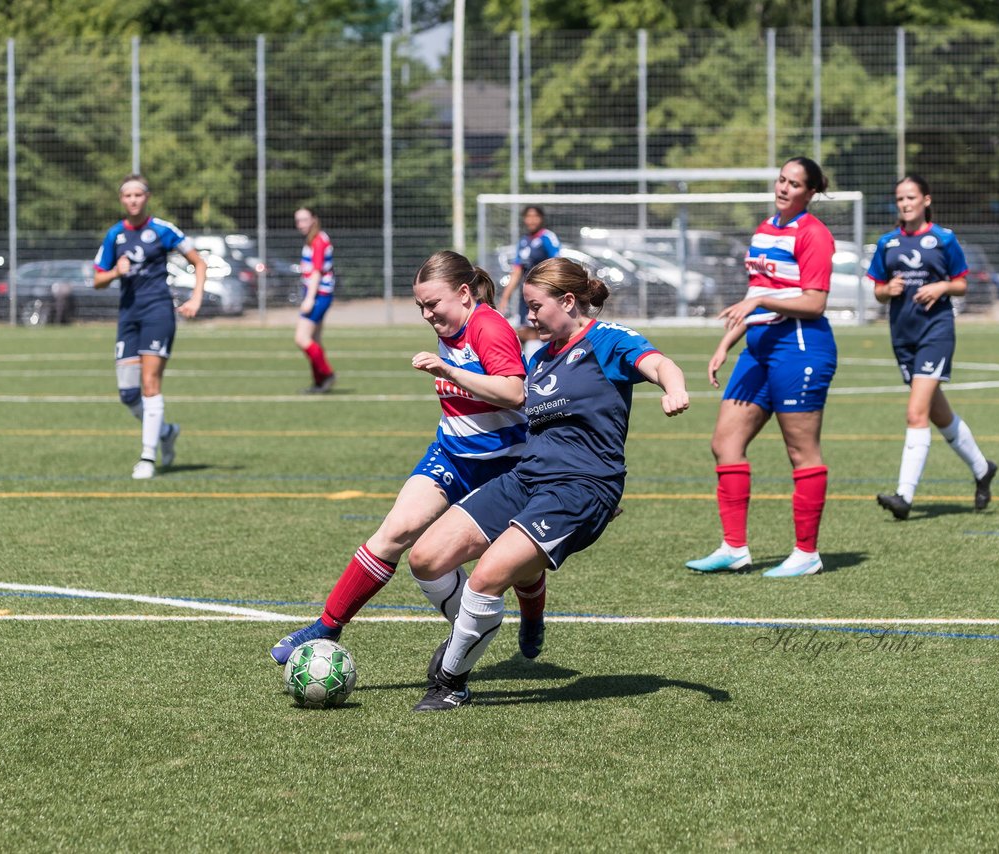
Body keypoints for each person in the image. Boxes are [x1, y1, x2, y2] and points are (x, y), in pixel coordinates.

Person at [409, 256, 689, 711]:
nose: (530, 317)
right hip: (526, 477)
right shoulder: (541, 357)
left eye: (536, 307)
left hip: (578, 489)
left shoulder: (608, 341)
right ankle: (475, 629)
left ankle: (450, 681)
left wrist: (673, 389)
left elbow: (660, 363)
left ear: (569, 300)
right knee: (425, 558)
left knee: (486, 578)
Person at [269, 250, 546, 664]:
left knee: (518, 566)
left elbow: (514, 392)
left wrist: (447, 371)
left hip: (505, 464)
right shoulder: (451, 324)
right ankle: (327, 625)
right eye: (420, 307)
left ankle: (531, 616)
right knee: (393, 534)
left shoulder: (489, 327)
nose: (427, 315)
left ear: (464, 293)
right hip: (452, 454)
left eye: (433, 304)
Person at [685, 157, 838, 578]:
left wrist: (760, 303)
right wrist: (726, 344)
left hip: (800, 347)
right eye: (781, 179)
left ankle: (806, 554)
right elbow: (757, 293)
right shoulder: (765, 229)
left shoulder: (814, 234)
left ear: (810, 193)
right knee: (725, 442)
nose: (784, 188)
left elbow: (814, 302)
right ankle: (734, 548)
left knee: (800, 451)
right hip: (758, 349)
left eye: (795, 184)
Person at [867, 175, 998, 520]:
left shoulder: (943, 239)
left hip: (935, 333)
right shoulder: (887, 243)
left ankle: (904, 496)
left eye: (911, 197)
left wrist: (940, 288)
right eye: (899, 199)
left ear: (926, 200)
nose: (905, 204)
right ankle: (983, 469)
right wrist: (887, 290)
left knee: (916, 412)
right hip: (903, 337)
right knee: (939, 414)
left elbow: (962, 284)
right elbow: (877, 289)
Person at [92, 174, 206, 480]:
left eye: (138, 195)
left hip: (158, 312)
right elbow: (97, 280)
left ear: (147, 197)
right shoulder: (114, 235)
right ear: (121, 200)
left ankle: (147, 457)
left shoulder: (162, 229)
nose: (133, 200)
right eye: (127, 195)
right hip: (128, 315)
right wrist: (116, 270)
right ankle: (166, 432)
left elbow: (199, 262)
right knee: (128, 394)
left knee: (150, 382)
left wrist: (196, 298)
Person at [497, 205, 560, 359]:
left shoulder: (547, 238)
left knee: (534, 333)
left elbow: (557, 264)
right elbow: (517, 271)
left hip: (543, 296)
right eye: (528, 216)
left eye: (535, 216)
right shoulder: (524, 241)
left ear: (541, 218)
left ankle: (537, 370)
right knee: (526, 332)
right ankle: (531, 370)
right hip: (525, 298)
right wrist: (504, 299)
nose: (531, 220)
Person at [294, 207, 337, 394]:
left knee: (301, 338)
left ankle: (326, 374)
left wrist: (309, 298)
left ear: (314, 219)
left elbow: (317, 272)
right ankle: (319, 382)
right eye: (298, 221)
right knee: (314, 340)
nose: (300, 224)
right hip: (318, 294)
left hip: (319, 295)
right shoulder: (314, 239)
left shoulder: (318, 241)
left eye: (304, 220)